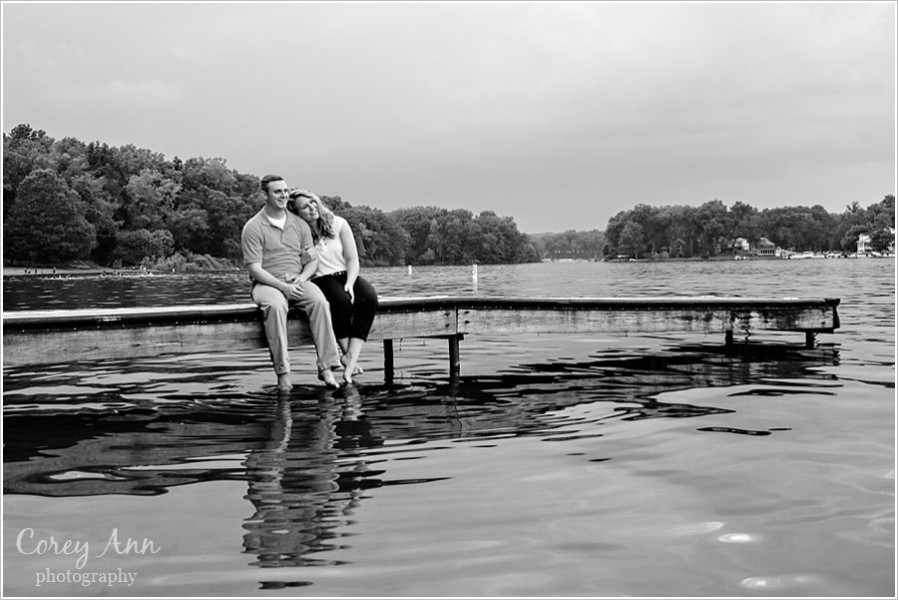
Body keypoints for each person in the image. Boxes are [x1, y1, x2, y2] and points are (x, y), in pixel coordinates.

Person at [241, 174, 343, 391]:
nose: (283, 195)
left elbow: (312, 261)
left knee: (320, 303)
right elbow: (254, 269)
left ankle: (326, 368)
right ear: (265, 195)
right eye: (278, 191)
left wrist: (303, 278)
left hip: (296, 279)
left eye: (285, 191)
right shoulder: (253, 227)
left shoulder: (299, 224)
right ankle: (283, 374)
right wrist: (283, 287)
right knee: (276, 306)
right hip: (266, 284)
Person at [288, 189, 379, 385]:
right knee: (340, 301)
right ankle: (349, 359)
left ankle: (350, 358)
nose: (311, 208)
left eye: (312, 202)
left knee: (369, 297)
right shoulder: (297, 233)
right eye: (304, 207)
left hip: (345, 274)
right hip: (320, 278)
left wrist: (350, 283)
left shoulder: (338, 223)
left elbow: (352, 259)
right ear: (296, 213)